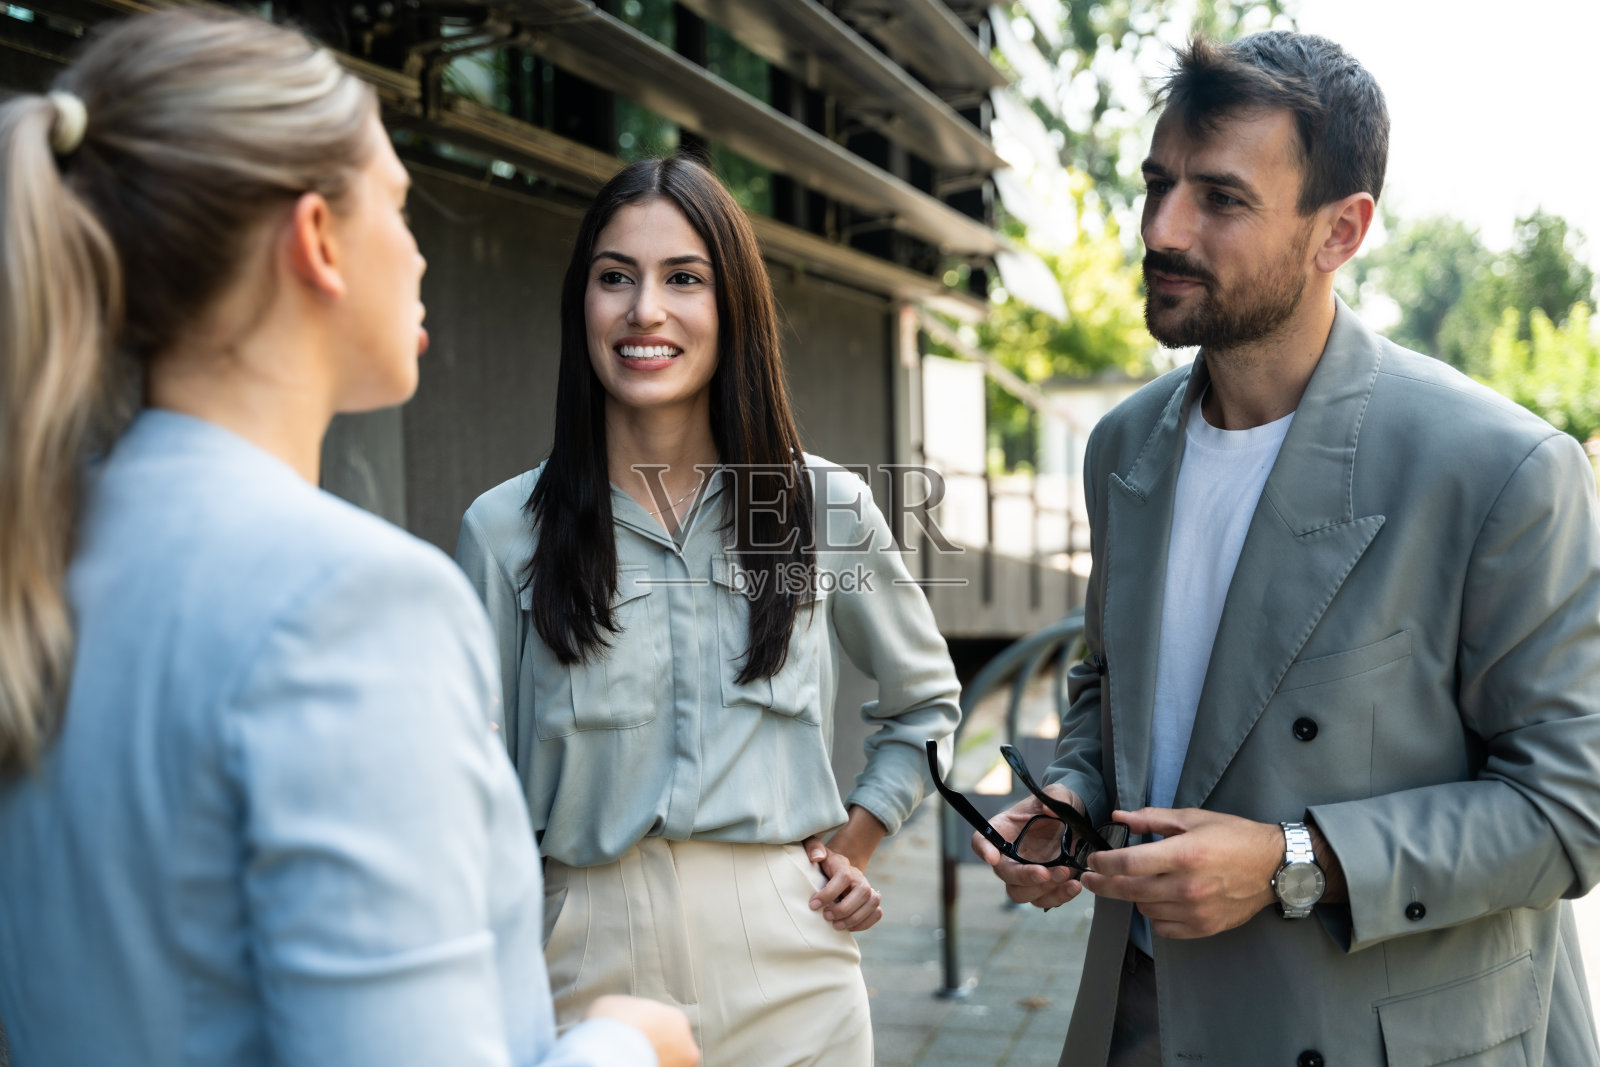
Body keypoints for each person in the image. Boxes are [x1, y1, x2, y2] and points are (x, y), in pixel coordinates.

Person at [0, 10, 698, 1066]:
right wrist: (624, 1044)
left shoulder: (41, 552)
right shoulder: (355, 604)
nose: (418, 253)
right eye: (401, 207)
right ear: (318, 239)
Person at [975, 31, 1600, 1067]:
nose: (1161, 227)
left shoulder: (1497, 467)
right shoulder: (1124, 447)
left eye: (1220, 198)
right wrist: (1077, 794)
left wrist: (1289, 861)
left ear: (1339, 231)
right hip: (1142, 1014)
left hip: (1368, 1032)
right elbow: (1108, 684)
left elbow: (1569, 805)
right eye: (1157, 182)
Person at [454, 154, 962, 1066]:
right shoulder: (503, 531)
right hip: (580, 967)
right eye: (616, 277)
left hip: (790, 960)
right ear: (584, 306)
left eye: (683, 278)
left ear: (734, 306)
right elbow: (467, 784)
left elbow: (924, 704)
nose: (645, 309)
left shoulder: (825, 508)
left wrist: (863, 834)